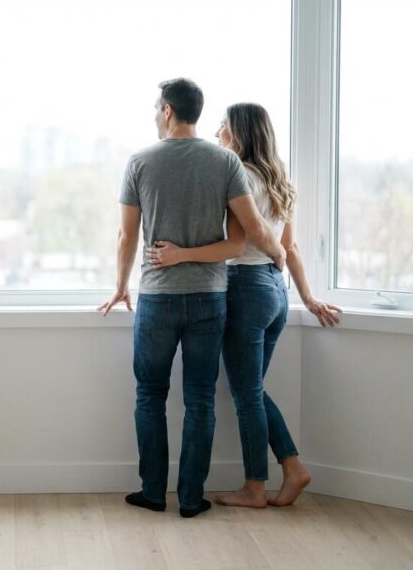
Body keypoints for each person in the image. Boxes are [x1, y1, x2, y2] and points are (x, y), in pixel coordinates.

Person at [98, 81, 285, 518]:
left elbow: (127, 235)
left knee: (150, 395)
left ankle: (151, 491)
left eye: (155, 107)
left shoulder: (140, 161)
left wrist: (122, 285)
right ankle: (189, 498)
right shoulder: (224, 161)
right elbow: (248, 230)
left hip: (159, 299)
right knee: (200, 399)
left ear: (167, 110)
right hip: (209, 299)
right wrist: (278, 255)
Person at [145, 103, 342, 508]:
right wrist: (306, 297)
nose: (217, 132)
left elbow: (235, 244)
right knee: (251, 389)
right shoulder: (280, 181)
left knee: (247, 393)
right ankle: (291, 469)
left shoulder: (239, 177)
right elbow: (289, 249)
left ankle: (257, 485)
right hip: (275, 293)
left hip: (245, 289)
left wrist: (180, 254)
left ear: (238, 133)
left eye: (223, 126)